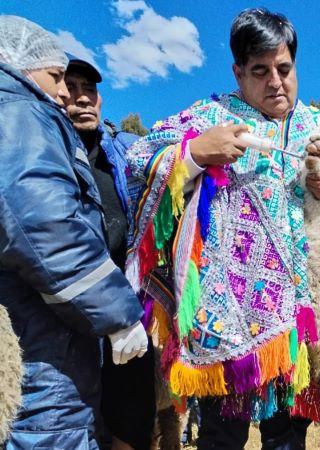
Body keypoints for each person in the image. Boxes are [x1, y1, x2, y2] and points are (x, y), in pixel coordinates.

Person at [124, 9, 320, 449]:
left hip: (299, 324)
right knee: (221, 437)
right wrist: (194, 154)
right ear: (238, 72)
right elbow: (139, 159)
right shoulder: (211, 117)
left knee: (287, 439)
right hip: (224, 319)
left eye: (284, 69)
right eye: (260, 71)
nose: (275, 82)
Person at [0, 16, 147, 449]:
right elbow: (42, 224)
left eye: (83, 86)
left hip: (60, 328)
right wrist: (119, 314)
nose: (66, 93)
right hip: (43, 345)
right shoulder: (20, 112)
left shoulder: (117, 151)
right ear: (17, 63)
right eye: (57, 78)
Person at [64, 54, 155, 450]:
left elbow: (162, 168)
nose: (83, 99)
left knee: (133, 420)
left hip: (127, 311)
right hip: (71, 318)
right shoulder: (47, 157)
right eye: (71, 89)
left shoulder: (122, 154)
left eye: (91, 90)